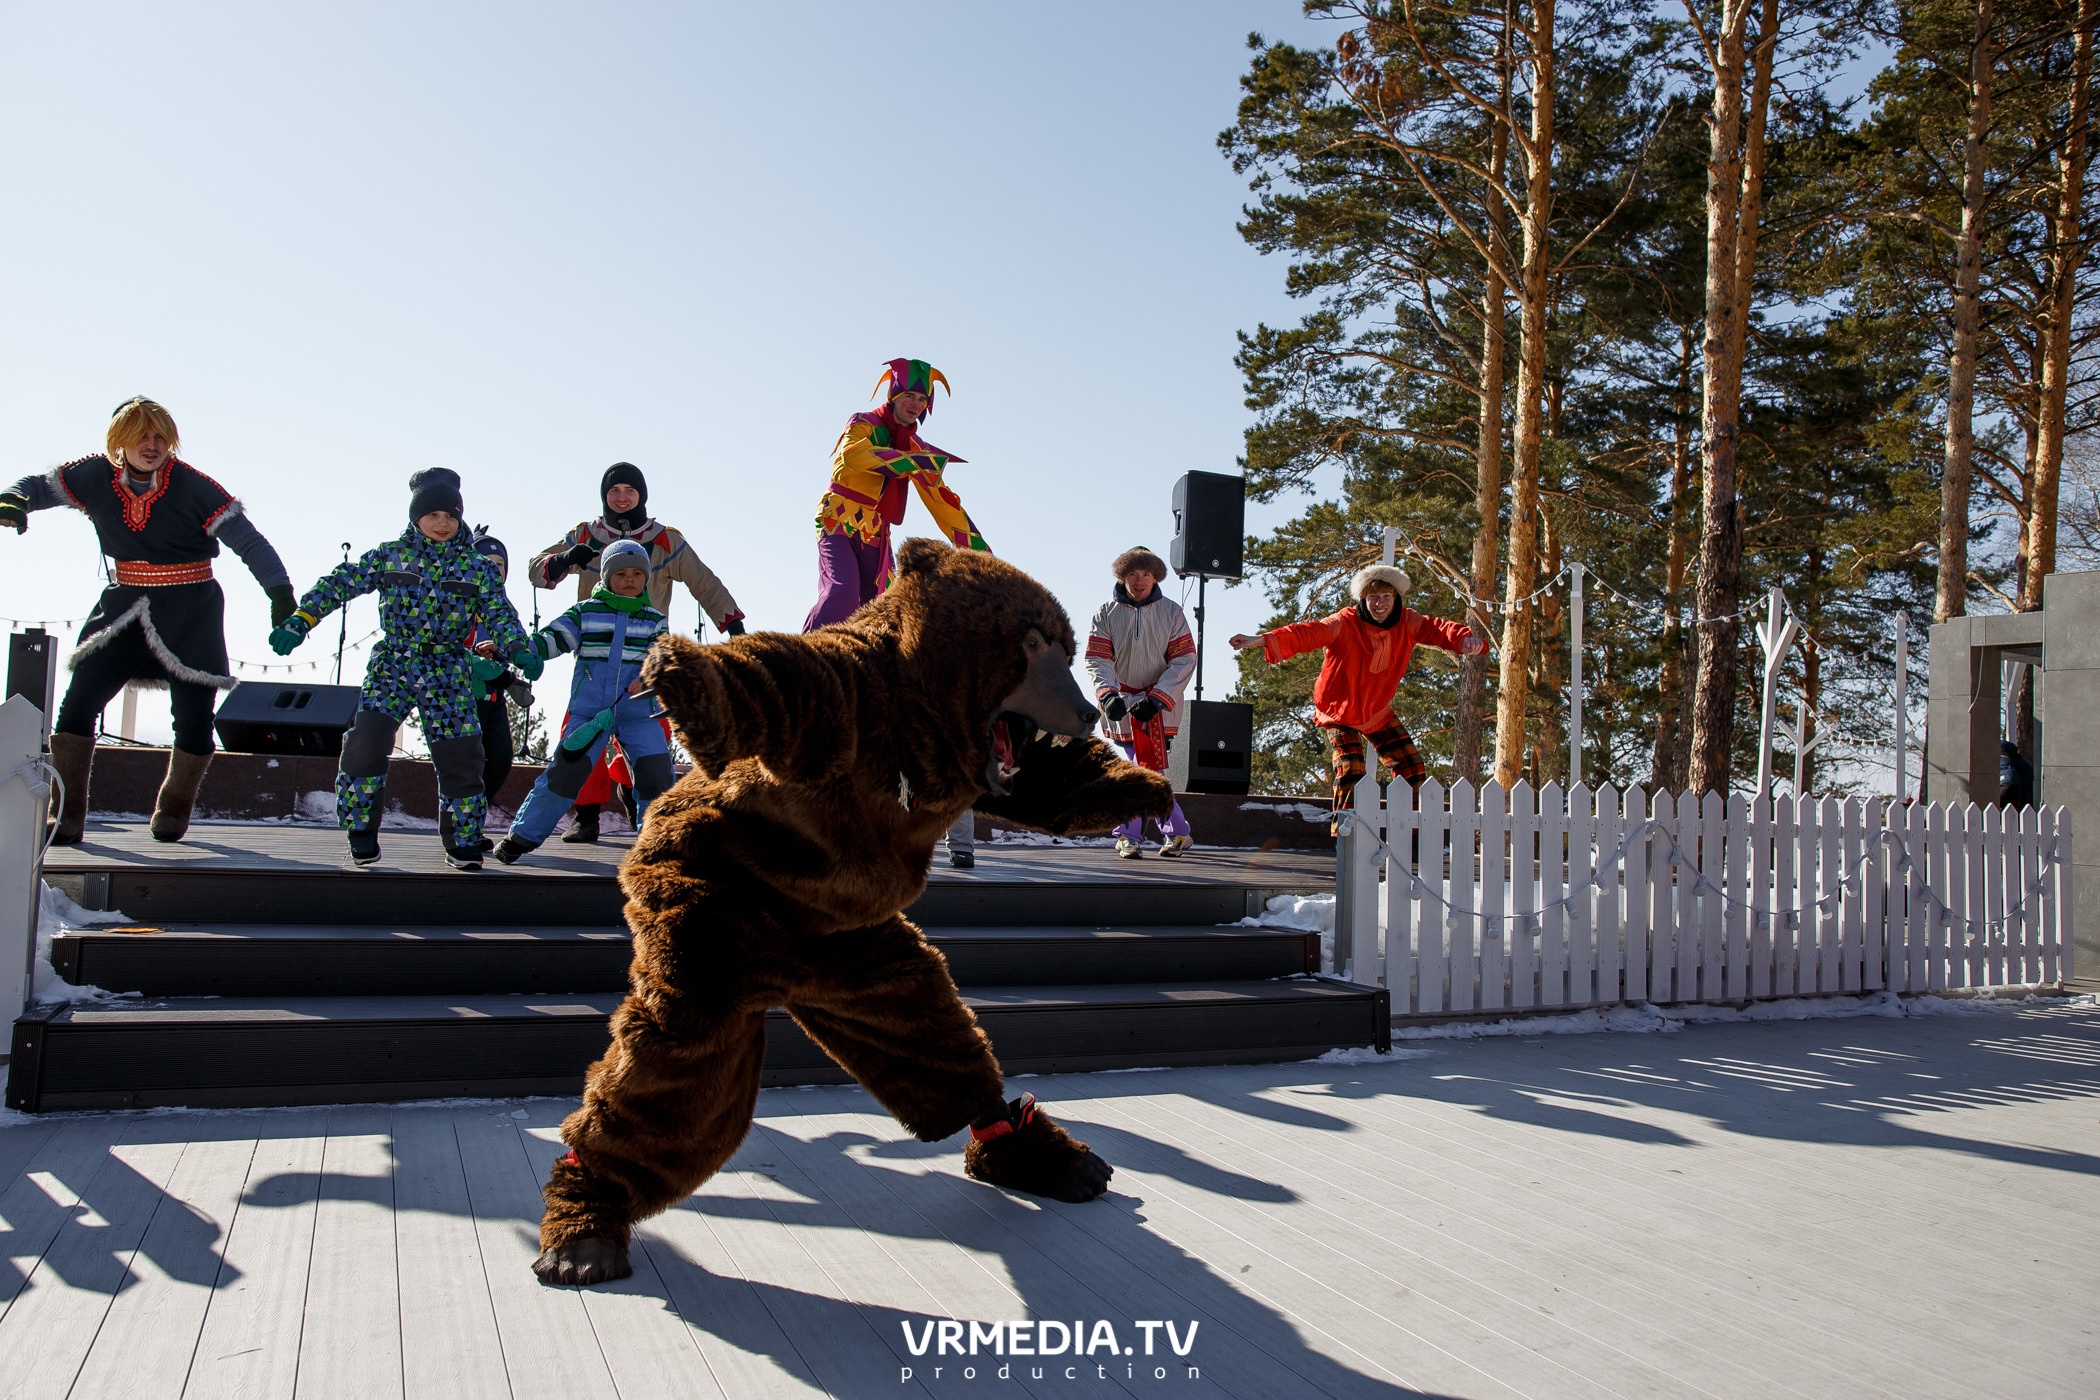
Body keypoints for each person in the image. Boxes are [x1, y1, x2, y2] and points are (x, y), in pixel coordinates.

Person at [0, 396, 297, 844]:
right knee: (77, 705)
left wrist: (280, 593)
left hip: (190, 611)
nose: (151, 444)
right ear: (119, 442)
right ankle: (67, 815)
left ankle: (174, 808)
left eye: (160, 436)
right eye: (141, 436)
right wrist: (15, 499)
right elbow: (38, 485)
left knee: (194, 718)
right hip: (123, 609)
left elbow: (250, 543)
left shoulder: (195, 486)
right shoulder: (93, 475)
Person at [271, 469, 538, 870]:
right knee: (367, 741)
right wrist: (303, 617)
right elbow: (341, 582)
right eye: (433, 516)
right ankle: (361, 830)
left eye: (450, 516)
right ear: (416, 518)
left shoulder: (476, 567)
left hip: (448, 665)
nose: (442, 524)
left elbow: (499, 613)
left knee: (461, 754)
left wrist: (518, 645)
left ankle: (462, 842)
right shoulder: (390, 554)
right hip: (395, 661)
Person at [804, 357, 991, 867]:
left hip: (877, 536)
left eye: (921, 401)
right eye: (908, 397)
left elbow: (944, 504)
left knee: (878, 618)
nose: (914, 405)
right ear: (892, 397)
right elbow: (855, 464)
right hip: (840, 523)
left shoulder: (916, 447)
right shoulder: (863, 426)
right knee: (841, 596)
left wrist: (982, 556)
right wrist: (914, 463)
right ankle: (805, 663)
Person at [528, 462, 743, 844]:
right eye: (614, 491)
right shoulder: (586, 535)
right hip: (595, 659)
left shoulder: (665, 540)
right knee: (580, 737)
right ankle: (587, 816)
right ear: (604, 496)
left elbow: (704, 582)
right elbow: (537, 573)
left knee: (651, 740)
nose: (622, 497)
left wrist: (733, 625)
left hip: (645, 661)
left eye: (629, 490)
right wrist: (563, 560)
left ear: (642, 495)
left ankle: (641, 807)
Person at [1230, 563, 1485, 821]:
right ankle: (1343, 833)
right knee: (1351, 769)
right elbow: (1308, 633)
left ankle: (1406, 828)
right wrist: (1263, 639)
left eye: (1386, 597)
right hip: (1339, 709)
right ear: (1363, 597)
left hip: (1375, 709)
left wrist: (1464, 639)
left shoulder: (1409, 621)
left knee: (1413, 768)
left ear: (1395, 597)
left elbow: (1437, 629)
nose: (1380, 604)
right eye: (1373, 597)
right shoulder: (1344, 622)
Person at [494, 540, 674, 864]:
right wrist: (527, 651)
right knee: (567, 770)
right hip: (591, 710)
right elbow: (553, 638)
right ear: (606, 577)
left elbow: (663, 658)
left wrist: (648, 677)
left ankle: (657, 847)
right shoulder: (586, 612)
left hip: (637, 711)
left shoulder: (654, 620)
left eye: (637, 573)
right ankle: (521, 836)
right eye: (621, 573)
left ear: (646, 578)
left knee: (657, 772)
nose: (630, 579)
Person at [1086, 546, 1196, 858]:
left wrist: (1158, 699)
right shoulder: (1105, 614)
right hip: (1121, 702)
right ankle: (1178, 832)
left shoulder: (1172, 612)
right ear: (1122, 577)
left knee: (1140, 768)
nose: (1140, 580)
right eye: (1133, 574)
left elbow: (1185, 659)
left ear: (1155, 577)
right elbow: (1097, 659)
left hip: (1158, 705)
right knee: (1146, 769)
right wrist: (1107, 694)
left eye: (1146, 574)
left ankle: (1129, 835)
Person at [466, 527, 528, 842]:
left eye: (499, 564)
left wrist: (505, 652)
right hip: (464, 700)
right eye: (484, 561)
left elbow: (515, 646)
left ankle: (473, 818)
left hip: (495, 700)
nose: (493, 569)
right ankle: (462, 828)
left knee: (501, 760)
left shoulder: (503, 609)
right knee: (466, 765)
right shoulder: (456, 602)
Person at [2000, 739, 2036, 809]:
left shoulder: (2003, 760)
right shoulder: (2019, 761)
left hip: (2022, 807)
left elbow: (2009, 783)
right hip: (2029, 806)